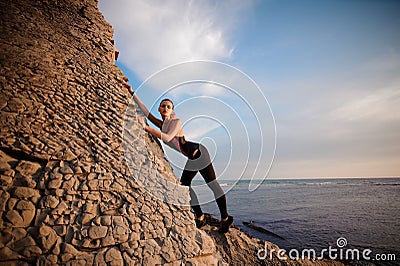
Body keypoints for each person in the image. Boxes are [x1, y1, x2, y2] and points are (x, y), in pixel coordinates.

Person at [124, 82, 233, 233]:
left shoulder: (176, 122)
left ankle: (225, 219)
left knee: (212, 185)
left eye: (168, 106)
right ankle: (200, 216)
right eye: (163, 105)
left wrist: (146, 127)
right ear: (159, 108)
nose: (165, 108)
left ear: (172, 110)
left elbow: (168, 138)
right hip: (192, 157)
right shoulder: (162, 124)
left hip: (199, 153)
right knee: (185, 185)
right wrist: (131, 92)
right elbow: (146, 112)